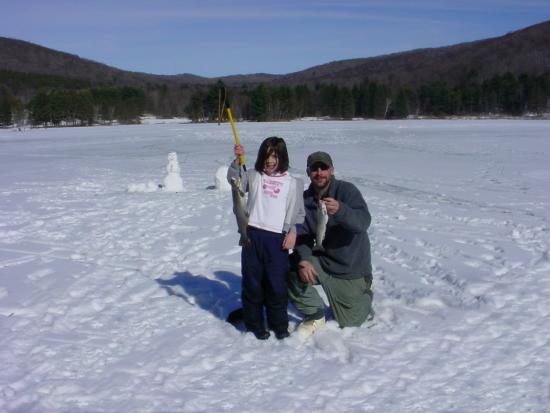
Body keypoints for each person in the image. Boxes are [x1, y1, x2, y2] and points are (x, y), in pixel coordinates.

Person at [289, 151, 373, 337]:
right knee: (288, 270)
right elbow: (301, 236)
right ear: (308, 172)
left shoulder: (347, 191)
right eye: (314, 169)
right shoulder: (304, 200)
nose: (319, 173)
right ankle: (315, 314)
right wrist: (304, 259)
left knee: (349, 322)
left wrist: (342, 210)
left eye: (324, 168)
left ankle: (367, 291)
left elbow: (363, 222)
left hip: (350, 268)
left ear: (332, 170)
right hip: (323, 261)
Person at [227, 137, 304, 340]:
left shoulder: (293, 183)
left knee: (277, 286)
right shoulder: (253, 176)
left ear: (282, 158)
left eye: (275, 156)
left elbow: (299, 214)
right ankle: (254, 325)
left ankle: (279, 325)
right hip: (252, 236)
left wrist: (293, 232)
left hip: (277, 240)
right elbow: (235, 183)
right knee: (253, 284)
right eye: (267, 156)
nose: (270, 161)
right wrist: (237, 161)